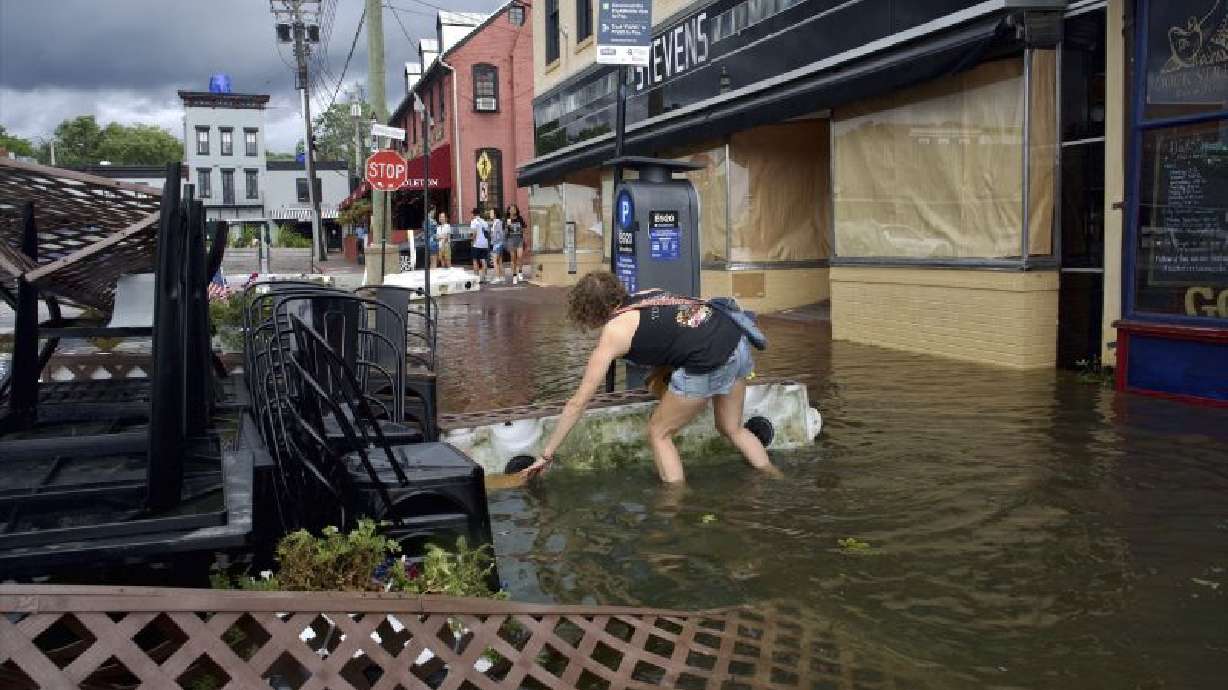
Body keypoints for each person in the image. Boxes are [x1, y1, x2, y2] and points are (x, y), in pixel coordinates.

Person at [520, 271, 778, 484]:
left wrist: (547, 454)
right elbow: (678, 332)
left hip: (709, 360)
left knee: (658, 433)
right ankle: (774, 477)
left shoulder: (613, 334)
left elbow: (578, 403)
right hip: (734, 339)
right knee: (732, 428)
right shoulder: (647, 295)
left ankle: (675, 505)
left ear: (587, 311)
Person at [505, 205, 526, 284]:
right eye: (511, 209)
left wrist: (523, 238)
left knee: (520, 256)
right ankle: (514, 275)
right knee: (513, 258)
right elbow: (507, 231)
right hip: (511, 240)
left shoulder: (519, 218)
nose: (513, 211)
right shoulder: (508, 219)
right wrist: (507, 227)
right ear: (509, 211)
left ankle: (520, 271)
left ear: (516, 210)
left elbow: (523, 229)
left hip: (519, 239)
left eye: (514, 209)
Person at [469, 207, 491, 283]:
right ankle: (484, 277)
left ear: (473, 214)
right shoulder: (484, 221)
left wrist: (472, 240)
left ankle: (476, 278)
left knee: (475, 260)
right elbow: (488, 232)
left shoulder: (474, 221)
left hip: (477, 244)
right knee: (483, 260)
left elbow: (474, 233)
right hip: (484, 244)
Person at [488, 208, 506, 283]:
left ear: (495, 214)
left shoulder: (498, 222)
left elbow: (501, 234)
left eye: (491, 213)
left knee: (495, 260)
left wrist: (497, 241)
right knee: (500, 261)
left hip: (497, 244)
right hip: (498, 243)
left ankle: (497, 277)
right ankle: (502, 277)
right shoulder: (496, 222)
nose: (490, 214)